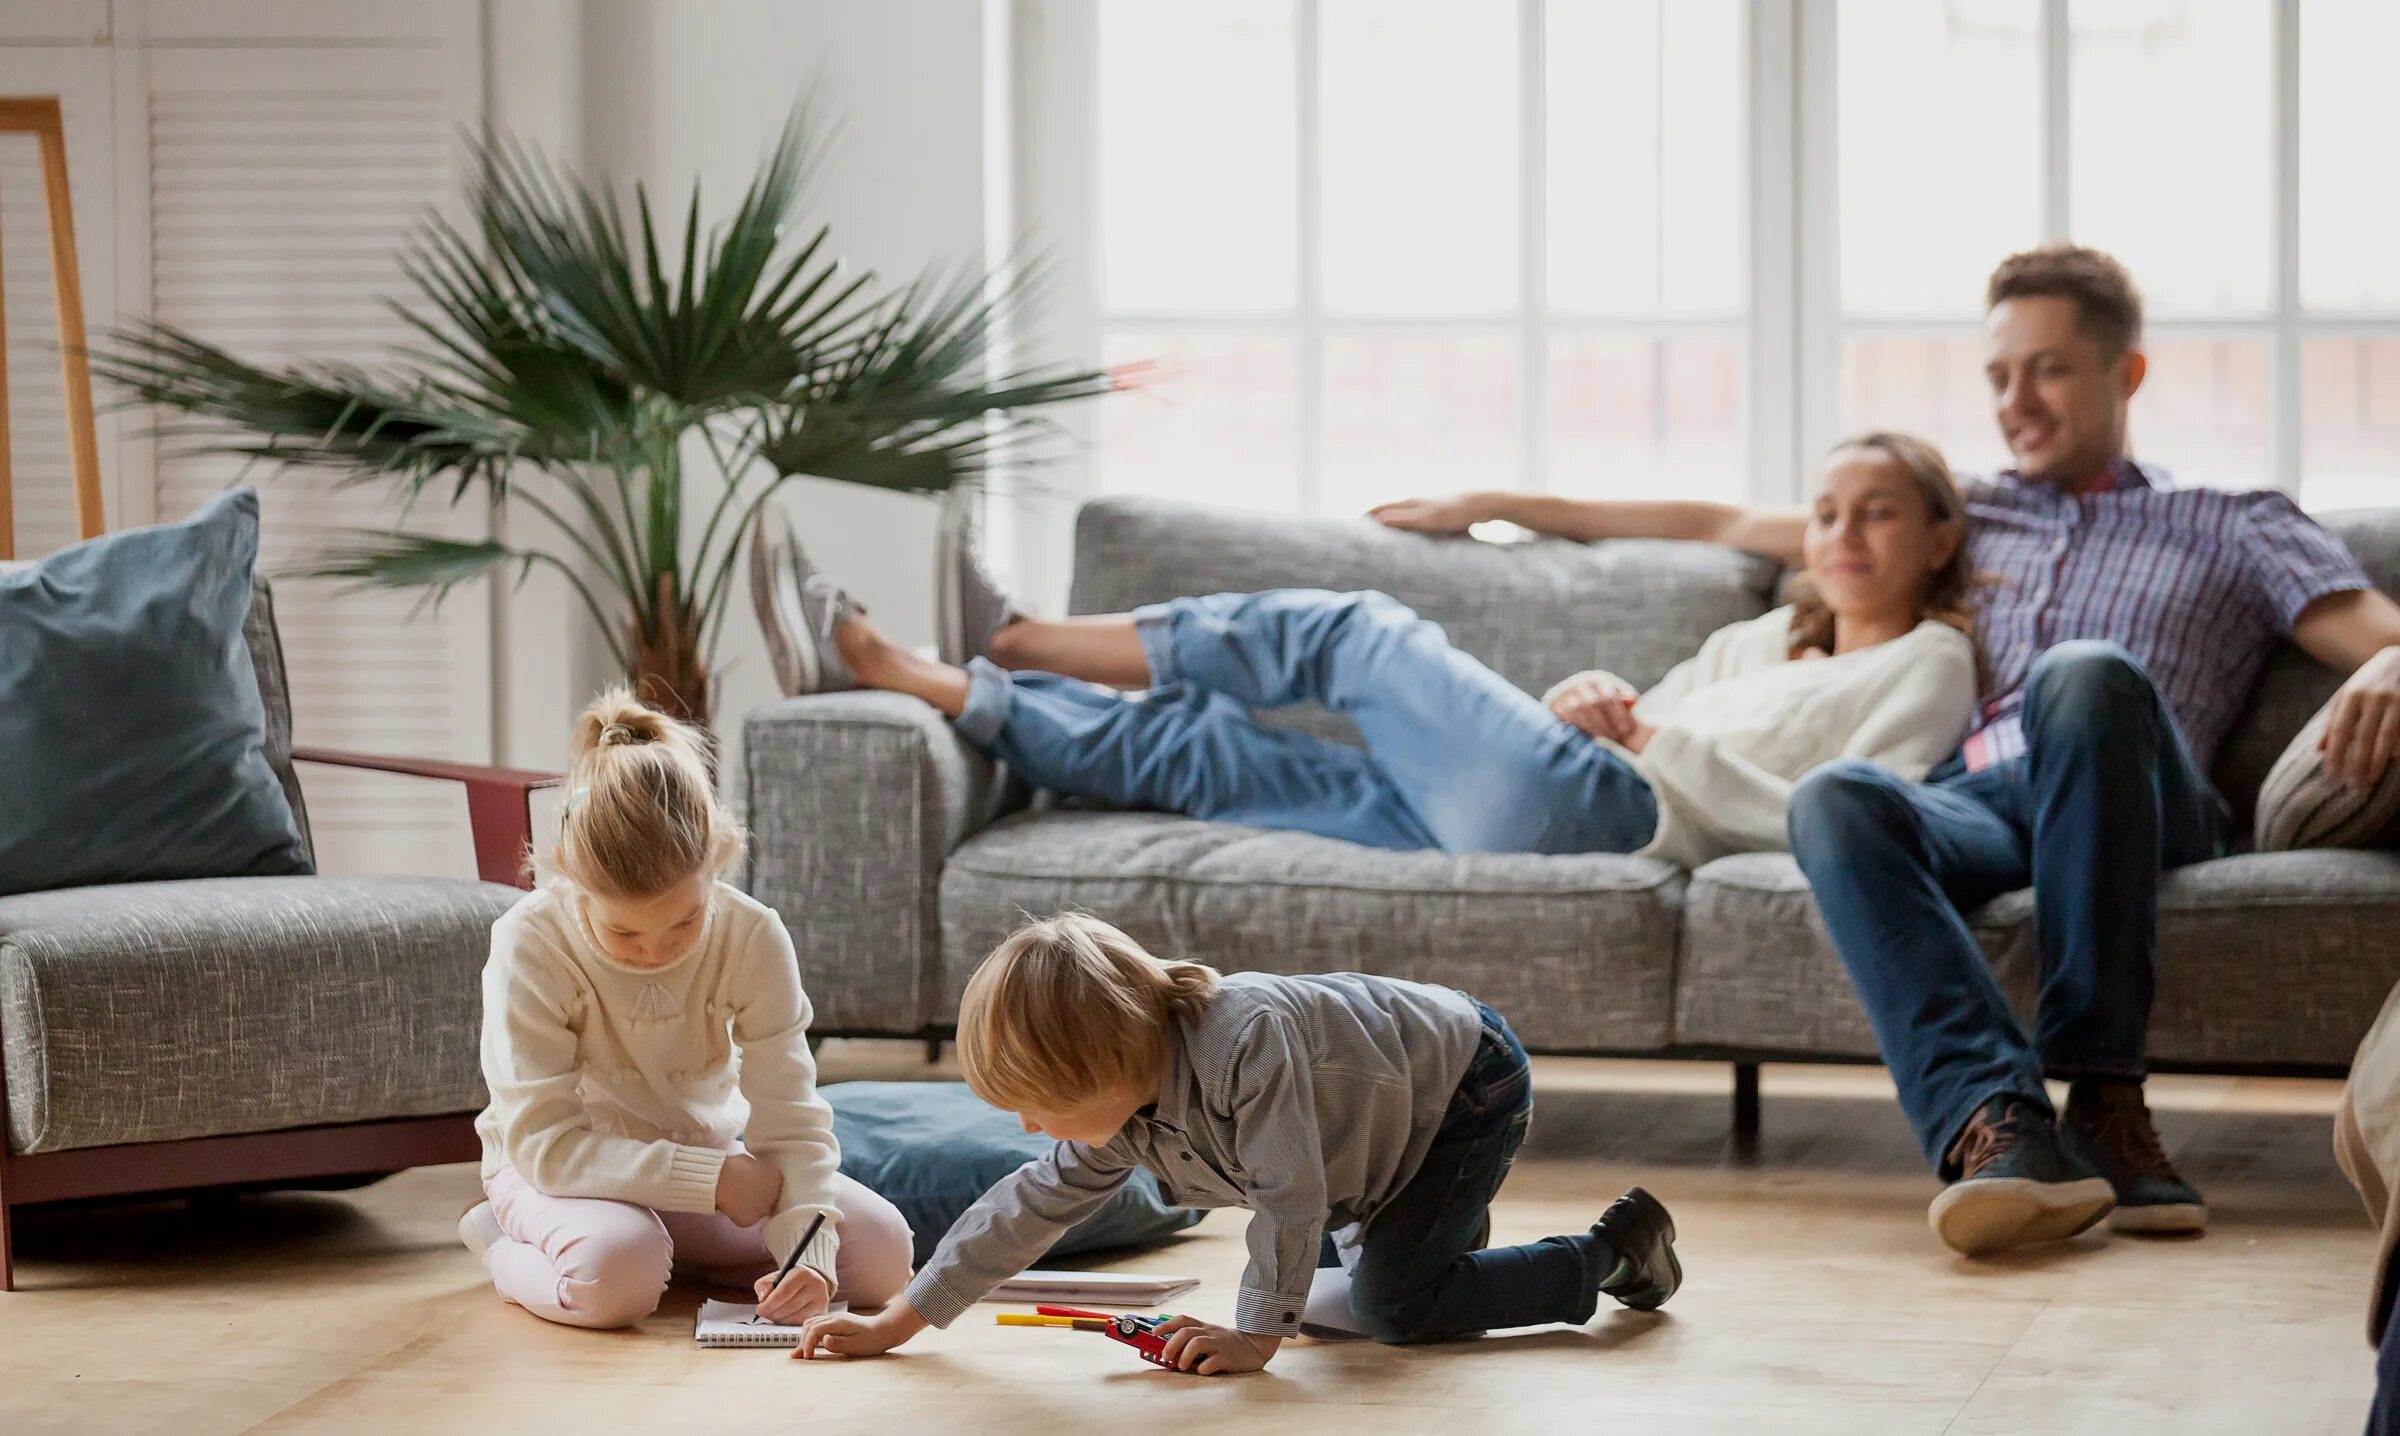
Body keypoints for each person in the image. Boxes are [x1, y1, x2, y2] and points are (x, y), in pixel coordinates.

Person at [1375, 243, 2400, 1255]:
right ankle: (1997, 1129)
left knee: (2082, 672)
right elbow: (1716, 517)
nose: (2016, 399)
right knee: (1838, 796)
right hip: (1986, 796)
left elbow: (2369, 629)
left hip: (2137, 795)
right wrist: (1496, 504)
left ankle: (2106, 1097)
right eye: (1999, 374)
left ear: (2125, 373)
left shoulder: (2232, 522)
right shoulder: (1966, 507)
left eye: (2047, 368)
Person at [759, 433, 1979, 871]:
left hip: (1612, 810)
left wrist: (1647, 737)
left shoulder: (1930, 663)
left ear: (1937, 536)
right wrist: (1597, 694)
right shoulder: (1763, 633)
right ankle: (936, 678)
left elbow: (1853, 815)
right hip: (1547, 784)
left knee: (1350, 630)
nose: (1844, 533)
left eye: (1877, 511)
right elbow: (1631, 711)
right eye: (1827, 512)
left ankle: (1015, 634)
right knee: (1208, 753)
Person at [790, 912, 1683, 1372]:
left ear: (1104, 1072)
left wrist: (1255, 1335)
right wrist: (896, 1322)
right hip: (1366, 1137)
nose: (1028, 1130)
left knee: (1390, 1312)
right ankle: (1437, 1248)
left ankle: (1610, 1253)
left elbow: (1290, 1195)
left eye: (1038, 1107)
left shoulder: (1242, 1039)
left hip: (1461, 1088)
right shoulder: (1120, 1115)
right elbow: (1022, 1209)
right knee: (1336, 1310)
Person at [457, 690, 915, 1329]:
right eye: (624, 934)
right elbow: (546, 1146)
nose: (656, 952)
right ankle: (509, 1247)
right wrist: (711, 1180)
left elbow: (791, 1119)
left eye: (684, 922)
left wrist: (807, 1255)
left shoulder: (752, 933)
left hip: (706, 1166)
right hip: (560, 1175)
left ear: (718, 858)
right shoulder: (528, 942)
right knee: (614, 1281)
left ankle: (672, 1252)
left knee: (885, 1259)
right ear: (567, 877)